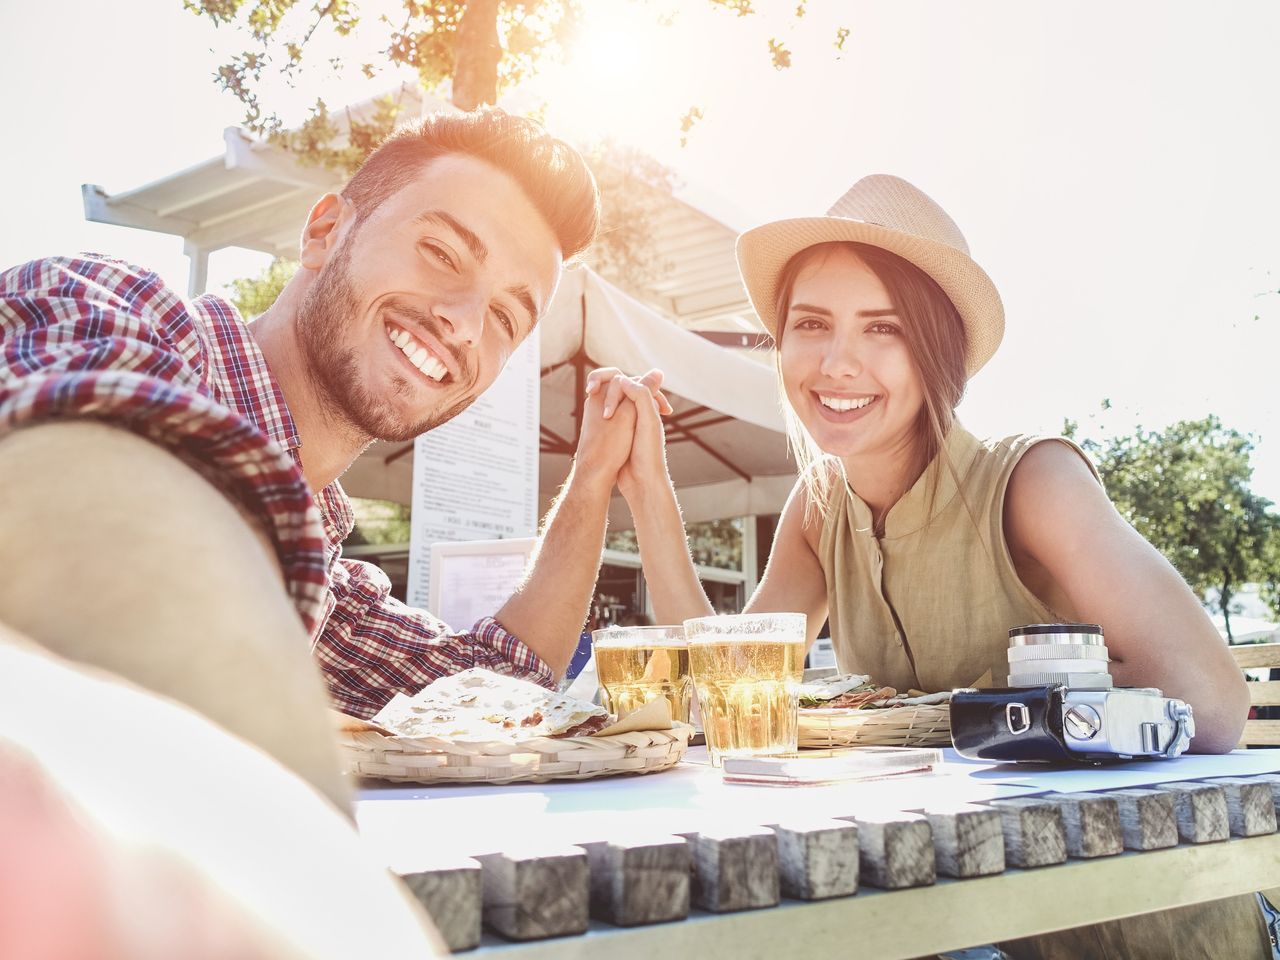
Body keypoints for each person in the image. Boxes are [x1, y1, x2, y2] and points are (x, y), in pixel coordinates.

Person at [593, 174, 1270, 957]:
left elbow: (1214, 706)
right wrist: (647, 490)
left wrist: (998, 716)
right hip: (973, 928)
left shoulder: (1030, 484)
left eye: (883, 328)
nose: (837, 362)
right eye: (811, 323)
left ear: (937, 350)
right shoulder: (818, 511)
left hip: (1146, 926)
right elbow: (728, 690)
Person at [0, 108, 659, 807]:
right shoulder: (112, 311)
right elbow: (90, 537)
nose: (465, 324)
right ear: (324, 232)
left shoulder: (319, 577)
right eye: (442, 253)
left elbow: (496, 684)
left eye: (505, 319)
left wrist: (591, 482)